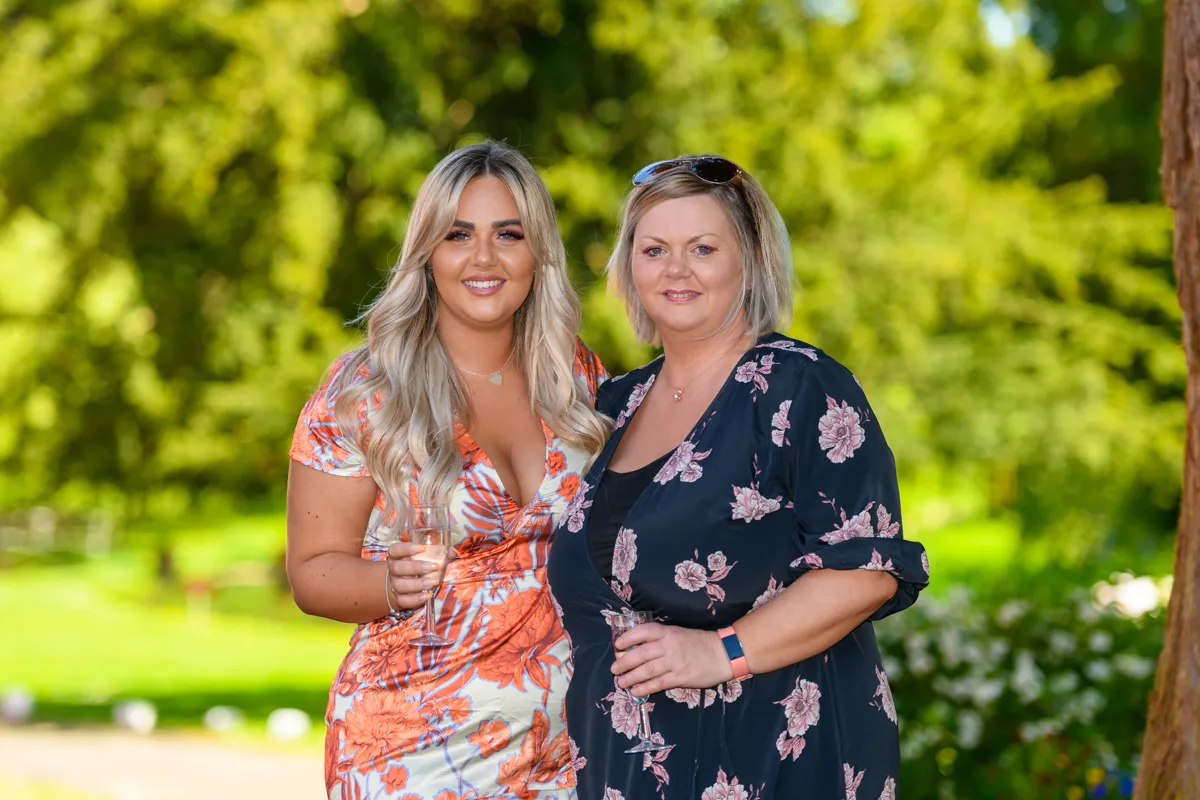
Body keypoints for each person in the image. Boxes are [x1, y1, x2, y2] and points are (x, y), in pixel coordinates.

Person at [546, 156, 930, 799]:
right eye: (654, 249)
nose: (676, 269)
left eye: (702, 247)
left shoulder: (799, 386)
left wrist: (720, 651)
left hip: (773, 756)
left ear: (749, 259)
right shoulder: (613, 405)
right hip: (628, 768)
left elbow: (866, 569)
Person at [286, 142, 610, 799]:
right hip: (412, 752)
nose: (483, 258)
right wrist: (388, 583)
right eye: (458, 234)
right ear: (427, 251)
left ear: (537, 252)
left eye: (508, 235)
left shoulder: (574, 374)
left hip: (565, 753)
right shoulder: (364, 389)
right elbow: (312, 570)